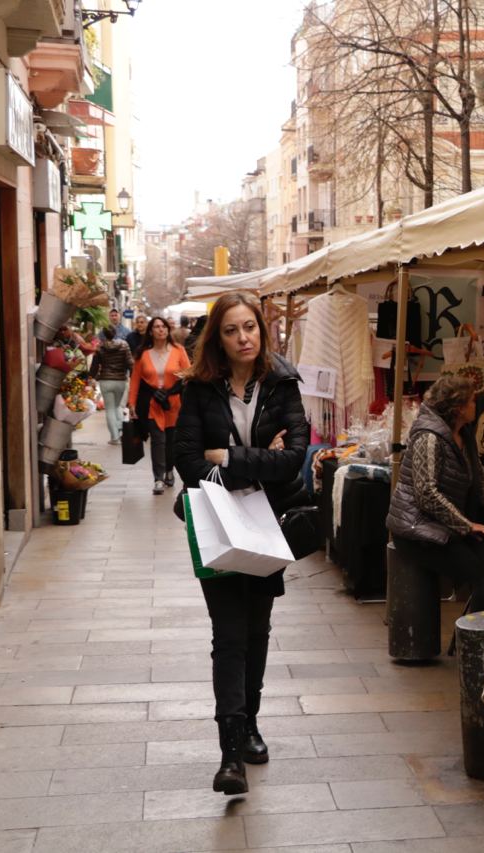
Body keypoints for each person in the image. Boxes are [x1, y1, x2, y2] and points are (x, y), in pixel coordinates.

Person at [175, 291, 311, 797]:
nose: (243, 338)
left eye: (249, 327)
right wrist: (253, 461)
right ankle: (229, 752)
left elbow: (293, 459)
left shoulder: (283, 383)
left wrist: (229, 458)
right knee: (228, 636)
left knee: (257, 631)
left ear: (261, 329)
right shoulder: (198, 388)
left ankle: (251, 724)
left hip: (267, 524)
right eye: (231, 330)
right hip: (216, 525)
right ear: (219, 337)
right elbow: (186, 461)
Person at [387, 375, 484, 616]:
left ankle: (483, 633)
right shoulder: (429, 437)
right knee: (481, 570)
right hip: (417, 529)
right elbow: (427, 494)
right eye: (472, 402)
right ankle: (481, 637)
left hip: (447, 526)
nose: (475, 406)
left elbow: (478, 474)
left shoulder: (463, 434)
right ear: (459, 409)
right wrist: (467, 525)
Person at [128, 317, 191, 495]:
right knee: (158, 441)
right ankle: (158, 478)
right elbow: (135, 381)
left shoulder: (179, 350)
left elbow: (188, 375)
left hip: (174, 403)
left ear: (168, 330)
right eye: (156, 327)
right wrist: (131, 404)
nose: (160, 329)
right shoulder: (143, 354)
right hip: (151, 404)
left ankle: (170, 470)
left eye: (163, 326)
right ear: (150, 331)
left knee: (171, 442)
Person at [89, 326, 134, 444]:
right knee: (118, 406)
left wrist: (90, 378)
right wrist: (133, 377)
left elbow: (94, 366)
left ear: (104, 335)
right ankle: (120, 428)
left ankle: (114, 438)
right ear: (115, 333)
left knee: (109, 409)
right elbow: (130, 363)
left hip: (106, 381)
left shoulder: (100, 347)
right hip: (120, 380)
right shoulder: (124, 345)